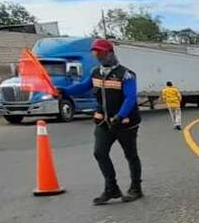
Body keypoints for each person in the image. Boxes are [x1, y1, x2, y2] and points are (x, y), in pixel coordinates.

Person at [58, 38, 143, 205]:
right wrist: (64, 91)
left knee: (131, 155)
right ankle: (112, 188)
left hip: (125, 123)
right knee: (100, 153)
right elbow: (83, 86)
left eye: (101, 53)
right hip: (103, 122)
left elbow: (130, 97)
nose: (98, 56)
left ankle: (136, 188)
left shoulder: (126, 74)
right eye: (96, 53)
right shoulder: (95, 72)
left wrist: (120, 116)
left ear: (110, 53)